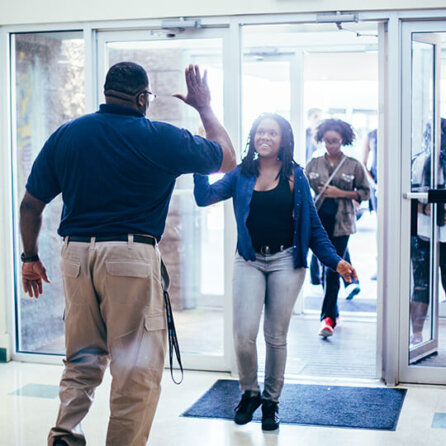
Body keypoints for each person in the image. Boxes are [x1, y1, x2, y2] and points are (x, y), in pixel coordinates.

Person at [19, 62, 236, 446]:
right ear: (141, 98)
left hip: (76, 256)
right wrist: (204, 106)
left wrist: (29, 258)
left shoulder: (68, 134)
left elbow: (29, 206)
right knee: (136, 370)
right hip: (129, 257)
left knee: (81, 358)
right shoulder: (160, 137)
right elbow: (227, 159)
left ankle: (66, 432)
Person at [193, 113, 356, 431]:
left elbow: (313, 229)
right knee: (243, 335)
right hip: (249, 260)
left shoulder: (296, 176)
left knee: (275, 336)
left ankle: (271, 403)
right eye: (259, 132)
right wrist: (201, 159)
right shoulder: (241, 174)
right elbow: (204, 197)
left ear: (284, 140)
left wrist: (334, 260)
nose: (264, 137)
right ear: (253, 138)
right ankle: (249, 393)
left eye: (272, 133)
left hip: (286, 261)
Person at [306, 118, 370, 337]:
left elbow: (365, 193)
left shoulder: (353, 164)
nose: (330, 145)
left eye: (334, 141)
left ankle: (327, 319)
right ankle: (332, 313)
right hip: (318, 223)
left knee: (333, 269)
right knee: (326, 269)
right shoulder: (313, 164)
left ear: (343, 140)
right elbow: (303, 192)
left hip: (342, 224)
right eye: (326, 141)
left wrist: (339, 193)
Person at [410, 119, 446, 345]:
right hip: (424, 232)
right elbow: (407, 195)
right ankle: (417, 336)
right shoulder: (419, 161)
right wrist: (426, 208)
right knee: (421, 284)